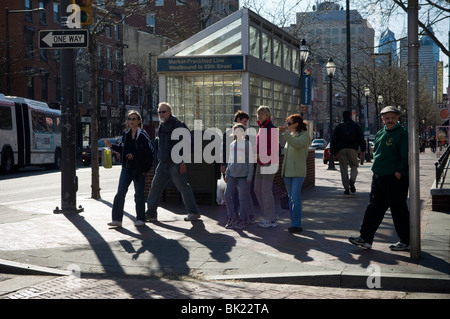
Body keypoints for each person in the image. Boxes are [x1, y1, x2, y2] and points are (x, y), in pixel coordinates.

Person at [349, 106, 410, 251]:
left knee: (398, 209)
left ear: (397, 119)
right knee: (374, 208)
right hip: (379, 176)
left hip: (394, 177)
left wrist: (399, 172)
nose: (390, 121)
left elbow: (406, 154)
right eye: (387, 118)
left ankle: (406, 240)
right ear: (382, 119)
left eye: (393, 118)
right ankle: (366, 238)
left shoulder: (402, 134)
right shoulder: (380, 133)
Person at [145, 102, 201, 222]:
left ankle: (194, 212)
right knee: (155, 187)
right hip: (163, 162)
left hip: (175, 163)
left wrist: (182, 162)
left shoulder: (177, 125)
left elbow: (185, 145)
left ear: (169, 112)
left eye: (163, 111)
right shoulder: (161, 126)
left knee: (183, 187)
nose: (161, 114)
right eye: (159, 112)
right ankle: (151, 214)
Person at [106, 110, 154, 228]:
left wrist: (135, 156)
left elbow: (150, 151)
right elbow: (123, 149)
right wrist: (112, 146)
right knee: (120, 193)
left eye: (134, 119)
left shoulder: (143, 135)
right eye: (129, 119)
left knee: (139, 195)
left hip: (139, 169)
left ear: (138, 121)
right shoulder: (126, 134)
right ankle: (117, 219)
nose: (131, 121)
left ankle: (140, 218)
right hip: (127, 167)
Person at [220, 111, 255, 224]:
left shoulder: (247, 144)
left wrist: (249, 176)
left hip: (243, 176)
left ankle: (243, 217)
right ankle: (231, 216)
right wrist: (227, 173)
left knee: (242, 198)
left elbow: (250, 162)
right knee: (227, 196)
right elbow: (230, 160)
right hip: (232, 175)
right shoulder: (232, 144)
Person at [278, 114, 311, 233]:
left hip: (298, 172)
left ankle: (297, 224)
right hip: (287, 172)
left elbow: (296, 145)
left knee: (295, 198)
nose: (287, 126)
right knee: (291, 199)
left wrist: (284, 134)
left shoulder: (304, 136)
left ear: (296, 124)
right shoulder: (291, 135)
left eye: (289, 123)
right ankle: (293, 222)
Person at [254, 106, 279, 228]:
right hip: (260, 162)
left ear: (268, 115)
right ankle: (270, 215)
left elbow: (274, 148)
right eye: (258, 114)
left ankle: (270, 219)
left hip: (269, 162)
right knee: (257, 189)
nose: (259, 116)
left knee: (265, 190)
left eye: (262, 114)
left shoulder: (272, 129)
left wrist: (261, 154)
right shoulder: (261, 128)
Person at [330, 110, 366, 195]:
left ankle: (346, 188)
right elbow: (361, 138)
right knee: (354, 165)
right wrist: (363, 150)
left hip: (341, 149)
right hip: (353, 149)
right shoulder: (355, 126)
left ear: (342, 117)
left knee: (343, 169)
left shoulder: (339, 126)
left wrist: (333, 152)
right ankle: (352, 180)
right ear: (350, 116)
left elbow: (334, 139)